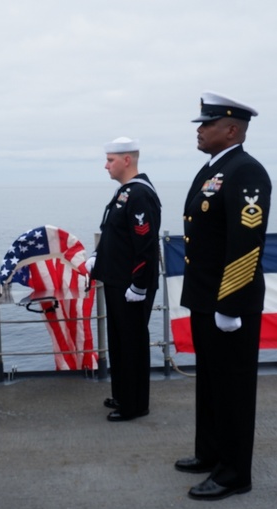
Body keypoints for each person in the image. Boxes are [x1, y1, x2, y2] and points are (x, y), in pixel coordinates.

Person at [174, 91, 272, 501]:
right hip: (204, 296)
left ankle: (234, 473)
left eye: (207, 124)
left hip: (229, 301)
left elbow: (246, 242)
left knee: (232, 387)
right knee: (210, 382)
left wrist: (229, 304)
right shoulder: (212, 170)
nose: (199, 130)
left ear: (231, 130)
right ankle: (211, 452)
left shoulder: (246, 171)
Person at [87, 137, 162, 421]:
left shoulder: (140, 194)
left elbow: (144, 244)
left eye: (110, 160)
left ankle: (135, 404)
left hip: (131, 285)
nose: (105, 165)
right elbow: (114, 234)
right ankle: (122, 394)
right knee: (119, 343)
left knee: (132, 344)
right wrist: (98, 256)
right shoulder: (125, 193)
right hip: (117, 281)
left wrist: (139, 284)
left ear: (126, 160)